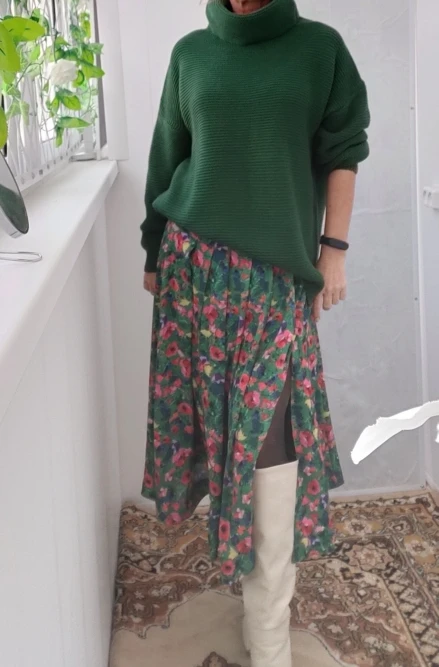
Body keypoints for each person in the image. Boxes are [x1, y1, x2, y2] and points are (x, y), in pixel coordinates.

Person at [140, 0, 370, 665]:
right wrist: (153, 251)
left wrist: (332, 250)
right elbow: (167, 155)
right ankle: (251, 610)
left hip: (273, 283)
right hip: (192, 274)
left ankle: (268, 639)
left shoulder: (318, 50)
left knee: (269, 447)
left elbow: (344, 149)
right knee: (214, 439)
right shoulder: (191, 54)